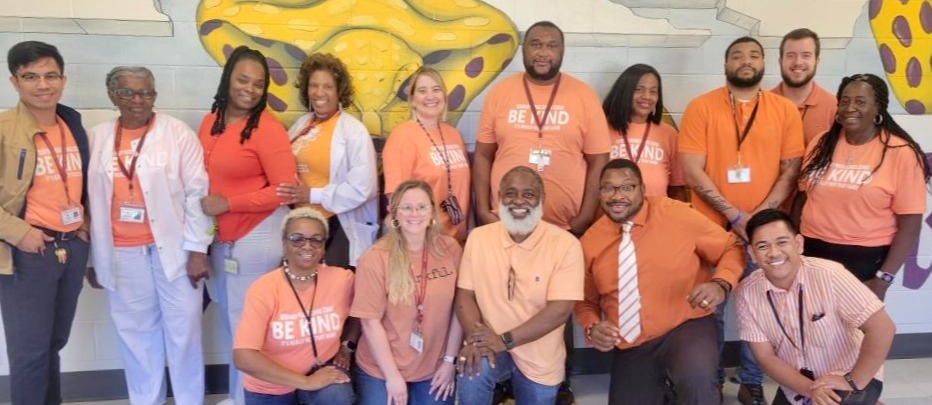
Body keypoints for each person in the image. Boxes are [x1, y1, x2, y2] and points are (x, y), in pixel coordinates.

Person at [471, 21, 609, 402]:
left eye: (551, 45)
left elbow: (599, 160)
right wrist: (482, 207)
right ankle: (502, 374)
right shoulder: (501, 93)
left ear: (562, 52)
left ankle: (557, 378)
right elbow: (483, 155)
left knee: (557, 300)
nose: (543, 52)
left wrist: (585, 215)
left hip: (562, 225)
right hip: (505, 223)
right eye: (535, 45)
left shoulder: (582, 95)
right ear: (523, 49)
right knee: (501, 296)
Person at [679, 36, 805, 405]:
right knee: (710, 309)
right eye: (737, 56)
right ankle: (713, 381)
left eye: (753, 55)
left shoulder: (784, 110)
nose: (745, 61)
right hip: (710, 230)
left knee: (760, 308)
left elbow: (790, 170)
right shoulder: (701, 107)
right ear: (725, 64)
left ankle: (751, 381)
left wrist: (757, 220)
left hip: (763, 235)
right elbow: (692, 170)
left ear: (764, 64)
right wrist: (734, 215)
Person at [85, 66, 213, 405]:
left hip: (175, 251)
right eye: (128, 92)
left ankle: (190, 401)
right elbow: (86, 202)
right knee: (136, 336)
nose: (138, 100)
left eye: (146, 92)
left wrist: (198, 250)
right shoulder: (96, 137)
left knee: (184, 334)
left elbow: (197, 193)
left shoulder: (177, 133)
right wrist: (93, 259)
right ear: (112, 95)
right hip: (121, 253)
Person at [576, 158, 744, 404]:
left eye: (627, 187)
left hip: (686, 325)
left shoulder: (677, 215)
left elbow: (731, 246)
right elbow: (584, 300)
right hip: (633, 342)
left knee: (695, 380)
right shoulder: (590, 242)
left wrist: (721, 283)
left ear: (642, 189)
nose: (617, 196)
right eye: (608, 188)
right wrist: (592, 327)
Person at [198, 45, 298, 405]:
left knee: (246, 329)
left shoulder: (267, 129)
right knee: (232, 322)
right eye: (243, 80)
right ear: (228, 79)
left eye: (258, 84)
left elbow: (286, 190)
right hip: (222, 238)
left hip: (256, 235)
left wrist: (230, 203)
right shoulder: (212, 120)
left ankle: (247, 399)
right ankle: (237, 396)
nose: (250, 89)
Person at [0, 40, 90, 405]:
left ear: (63, 80)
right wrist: (20, 233)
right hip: (27, 253)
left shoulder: (72, 123)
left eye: (51, 76)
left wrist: (83, 227)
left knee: (53, 344)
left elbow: (84, 183)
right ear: (14, 81)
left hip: (71, 247)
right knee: (30, 354)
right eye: (31, 77)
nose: (43, 85)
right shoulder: (5, 128)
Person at [794, 73, 930, 301]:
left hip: (865, 260)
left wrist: (882, 280)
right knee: (812, 320)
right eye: (844, 101)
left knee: (856, 324)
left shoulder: (900, 152)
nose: (850, 108)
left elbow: (910, 223)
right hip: (812, 253)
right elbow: (802, 198)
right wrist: (794, 247)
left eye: (860, 101)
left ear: (878, 108)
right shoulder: (821, 143)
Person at [736, 209, 895, 405]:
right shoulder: (746, 293)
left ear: (798, 244)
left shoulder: (830, 274)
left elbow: (882, 327)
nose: (774, 252)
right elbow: (765, 357)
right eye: (763, 246)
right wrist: (811, 390)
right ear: (752, 254)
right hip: (799, 383)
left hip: (849, 373)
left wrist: (854, 381)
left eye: (782, 242)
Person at [455, 166, 584, 405]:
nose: (518, 201)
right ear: (499, 197)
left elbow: (561, 310)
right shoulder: (478, 238)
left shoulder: (566, 245)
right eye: (510, 193)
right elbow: (465, 296)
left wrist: (504, 340)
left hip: (540, 358)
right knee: (471, 368)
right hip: (490, 346)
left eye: (529, 194)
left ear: (542, 199)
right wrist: (475, 339)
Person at [352, 180, 463, 404]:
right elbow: (370, 323)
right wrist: (392, 377)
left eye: (422, 207)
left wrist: (449, 361)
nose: (415, 213)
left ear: (432, 212)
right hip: (381, 368)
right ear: (394, 213)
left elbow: (459, 309)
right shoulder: (375, 258)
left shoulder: (450, 249)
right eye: (406, 207)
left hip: (434, 366)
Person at [234, 207, 357, 405]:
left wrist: (347, 346)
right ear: (284, 243)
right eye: (297, 239)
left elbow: (365, 310)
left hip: (321, 373)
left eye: (316, 239)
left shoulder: (342, 280)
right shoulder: (263, 289)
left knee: (337, 397)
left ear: (324, 245)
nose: (307, 246)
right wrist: (306, 382)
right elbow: (243, 357)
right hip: (271, 386)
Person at [276, 52, 378, 269]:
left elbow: (363, 189)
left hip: (336, 227)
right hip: (299, 225)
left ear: (339, 92)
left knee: (332, 287)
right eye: (314, 85)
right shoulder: (301, 125)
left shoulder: (354, 131)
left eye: (328, 87)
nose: (319, 93)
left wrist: (311, 194)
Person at [383, 67, 471, 243]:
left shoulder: (453, 135)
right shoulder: (402, 136)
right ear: (412, 100)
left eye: (436, 89)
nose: (431, 96)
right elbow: (397, 198)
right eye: (422, 91)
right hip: (423, 240)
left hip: (456, 240)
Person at [602, 64, 687, 200]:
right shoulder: (602, 129)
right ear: (624, 92)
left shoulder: (669, 134)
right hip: (612, 212)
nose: (647, 96)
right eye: (639, 90)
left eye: (653, 91)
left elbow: (677, 188)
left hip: (657, 212)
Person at [771, 28, 837, 146]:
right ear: (780, 61)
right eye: (791, 55)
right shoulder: (761, 104)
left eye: (806, 55)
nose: (798, 62)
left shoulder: (834, 107)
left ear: (817, 61)